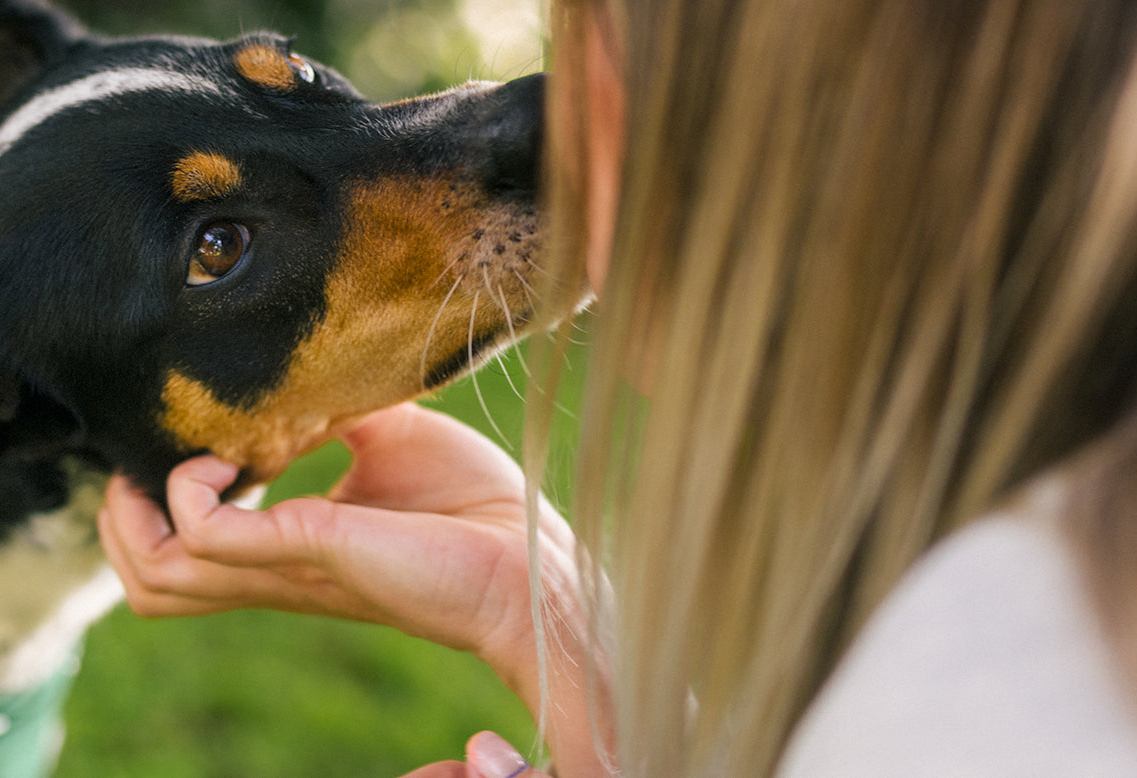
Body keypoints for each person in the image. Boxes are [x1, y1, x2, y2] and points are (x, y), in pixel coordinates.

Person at [96, 0, 1137, 775]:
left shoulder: (981, 690)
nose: (523, 128)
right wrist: (546, 606)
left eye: (567, 58)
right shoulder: (1019, 605)